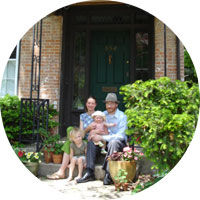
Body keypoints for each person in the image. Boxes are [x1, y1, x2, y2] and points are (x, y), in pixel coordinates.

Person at [77, 93, 127, 185]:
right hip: (103, 142)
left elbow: (121, 136)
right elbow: (95, 127)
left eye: (112, 103)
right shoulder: (102, 114)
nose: (109, 106)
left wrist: (102, 137)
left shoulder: (122, 117)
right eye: (107, 103)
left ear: (116, 104)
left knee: (113, 142)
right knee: (92, 142)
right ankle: (89, 172)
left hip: (117, 143)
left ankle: (109, 174)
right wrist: (94, 134)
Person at [47, 96, 97, 180]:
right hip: (82, 138)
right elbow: (82, 134)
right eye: (89, 103)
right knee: (69, 131)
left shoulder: (97, 116)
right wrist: (88, 128)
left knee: (68, 142)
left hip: (91, 140)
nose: (90, 105)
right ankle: (62, 171)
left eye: (92, 103)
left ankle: (62, 171)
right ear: (86, 104)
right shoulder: (83, 116)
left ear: (95, 105)